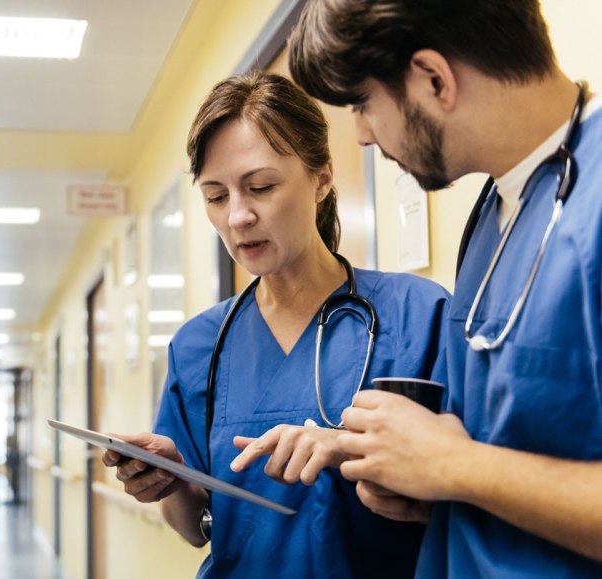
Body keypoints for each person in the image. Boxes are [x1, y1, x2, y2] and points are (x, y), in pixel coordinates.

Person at [288, 0, 602, 576]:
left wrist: (455, 467)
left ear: (435, 79)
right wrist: (425, 485)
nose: (359, 134)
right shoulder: (493, 215)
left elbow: (471, 461)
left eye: (363, 104)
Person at [101, 71, 450, 578]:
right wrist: (171, 481)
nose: (238, 216)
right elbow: (194, 526)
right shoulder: (199, 345)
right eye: (216, 196)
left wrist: (351, 450)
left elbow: (469, 483)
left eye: (260, 187)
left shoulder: (418, 314)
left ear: (322, 178)